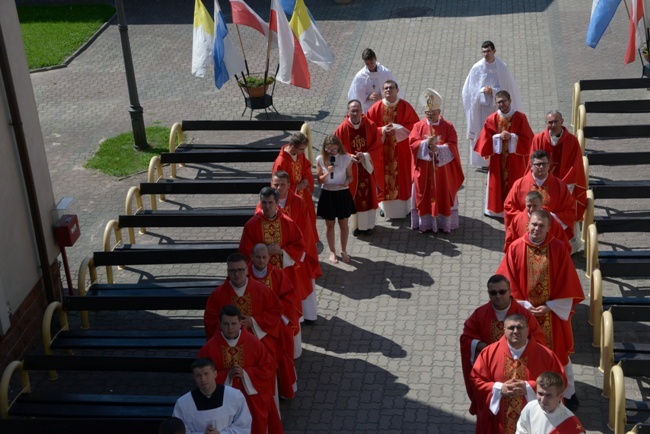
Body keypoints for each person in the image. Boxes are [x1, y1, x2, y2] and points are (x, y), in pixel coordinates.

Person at [497, 210, 585, 410]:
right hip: (524, 316)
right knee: (526, 355)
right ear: (528, 225)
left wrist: (550, 306)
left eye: (541, 226)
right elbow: (506, 281)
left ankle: (567, 395)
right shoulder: (516, 248)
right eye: (534, 225)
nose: (537, 229)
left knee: (559, 355)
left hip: (552, 315)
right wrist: (524, 305)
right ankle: (527, 393)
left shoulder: (559, 249)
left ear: (549, 227)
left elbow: (567, 282)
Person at [460, 274, 546, 415]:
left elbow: (539, 340)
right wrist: (486, 348)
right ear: (488, 293)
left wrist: (519, 348)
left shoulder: (524, 314)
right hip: (493, 370)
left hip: (521, 369)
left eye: (502, 292)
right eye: (493, 293)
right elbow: (466, 338)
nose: (498, 296)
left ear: (510, 291)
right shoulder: (480, 314)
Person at [470, 314, 566, 434]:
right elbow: (476, 379)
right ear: (504, 330)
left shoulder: (546, 355)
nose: (515, 331)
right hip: (499, 421)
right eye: (511, 328)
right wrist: (498, 389)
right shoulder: (489, 353)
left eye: (520, 327)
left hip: (534, 420)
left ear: (527, 329)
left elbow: (559, 382)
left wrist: (529, 387)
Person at [239, 187, 318, 324]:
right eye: (264, 203)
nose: (267, 206)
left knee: (286, 314)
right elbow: (244, 252)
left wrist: (282, 252)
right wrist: (265, 251)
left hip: (284, 275)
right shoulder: (251, 225)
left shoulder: (287, 223)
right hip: (259, 279)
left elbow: (299, 246)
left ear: (277, 204)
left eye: (270, 203)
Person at [199, 305, 282, 434]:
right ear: (219, 324)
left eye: (233, 323)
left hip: (250, 397)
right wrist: (227, 376)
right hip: (223, 400)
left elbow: (268, 367)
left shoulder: (254, 343)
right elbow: (201, 375)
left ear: (240, 323)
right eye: (226, 324)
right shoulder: (209, 348)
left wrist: (246, 374)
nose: (230, 328)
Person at [408, 88, 465, 233]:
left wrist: (438, 150)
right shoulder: (418, 126)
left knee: (443, 194)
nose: (431, 116)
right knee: (424, 195)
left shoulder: (448, 126)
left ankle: (443, 224)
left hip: (442, 172)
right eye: (428, 113)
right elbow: (413, 143)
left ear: (439, 111)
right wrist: (426, 144)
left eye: (433, 113)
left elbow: (453, 145)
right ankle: (426, 224)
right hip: (424, 170)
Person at [248, 243, 299, 397]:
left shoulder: (276, 273)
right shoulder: (244, 276)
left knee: (283, 346)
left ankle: (283, 389)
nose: (261, 261)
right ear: (251, 257)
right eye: (258, 257)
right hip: (250, 325)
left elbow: (289, 297)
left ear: (269, 257)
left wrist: (272, 317)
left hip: (275, 322)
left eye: (264, 257)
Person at [271, 171, 322, 321]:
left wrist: (294, 252)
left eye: (282, 185)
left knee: (302, 283)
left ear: (288, 186)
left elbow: (305, 229)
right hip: (275, 255)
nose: (279, 188)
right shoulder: (266, 203)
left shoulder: (298, 202)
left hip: (297, 253)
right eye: (276, 184)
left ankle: (307, 315)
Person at [531, 110, 587, 248]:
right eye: (550, 122)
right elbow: (531, 163)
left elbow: (576, 165)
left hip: (565, 186)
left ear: (562, 122)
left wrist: (564, 185)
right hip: (542, 185)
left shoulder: (572, 141)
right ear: (546, 123)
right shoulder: (538, 139)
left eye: (556, 121)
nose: (553, 125)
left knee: (564, 213)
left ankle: (568, 247)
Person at [462, 41, 523, 168]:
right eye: (484, 51)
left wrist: (493, 91)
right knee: (483, 132)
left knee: (498, 131)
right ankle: (483, 160)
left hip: (497, 108)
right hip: (482, 109)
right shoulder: (477, 68)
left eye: (488, 51)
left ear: (494, 51)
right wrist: (482, 91)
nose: (486, 54)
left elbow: (506, 88)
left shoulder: (501, 67)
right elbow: (469, 90)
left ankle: (499, 157)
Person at [474, 90, 533, 217]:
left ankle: (516, 208)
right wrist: (497, 137)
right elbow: (485, 139)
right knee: (497, 183)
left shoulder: (520, 117)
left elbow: (528, 139)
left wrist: (512, 137)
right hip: (498, 160)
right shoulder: (492, 119)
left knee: (516, 182)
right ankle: (497, 211)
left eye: (504, 101)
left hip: (515, 160)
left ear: (510, 101)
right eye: (498, 102)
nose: (501, 105)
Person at [366, 79, 419, 219]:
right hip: (382, 151)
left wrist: (398, 129)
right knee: (383, 177)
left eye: (391, 88)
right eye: (385, 88)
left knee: (402, 177)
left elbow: (415, 127)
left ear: (397, 90)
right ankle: (383, 207)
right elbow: (368, 129)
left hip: (401, 151)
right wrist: (382, 130)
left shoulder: (405, 106)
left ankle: (405, 208)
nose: (388, 90)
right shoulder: (376, 108)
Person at [334, 99, 383, 236]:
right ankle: (355, 226)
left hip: (366, 169)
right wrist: (349, 157)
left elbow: (378, 146)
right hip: (351, 170)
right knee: (353, 197)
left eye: (357, 110)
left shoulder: (370, 126)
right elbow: (335, 149)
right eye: (352, 111)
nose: (355, 113)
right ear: (347, 112)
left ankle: (368, 226)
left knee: (367, 197)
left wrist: (366, 155)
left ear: (362, 111)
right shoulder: (342, 129)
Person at [504, 150, 577, 240]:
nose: (541, 167)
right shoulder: (519, 184)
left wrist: (551, 217)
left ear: (549, 165)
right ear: (531, 165)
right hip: (524, 233)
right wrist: (525, 217)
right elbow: (509, 207)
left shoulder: (560, 186)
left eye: (544, 164)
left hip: (551, 234)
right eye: (537, 164)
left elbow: (570, 210)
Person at [172, 358, 252, 434]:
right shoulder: (183, 403)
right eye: (198, 375)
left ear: (215, 374)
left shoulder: (235, 396)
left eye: (206, 374)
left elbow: (243, 427)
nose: (203, 379)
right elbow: (179, 431)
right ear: (194, 378)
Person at [315, 135, 356, 264]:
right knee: (330, 225)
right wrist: (328, 171)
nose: (331, 152)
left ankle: (343, 250)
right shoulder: (321, 159)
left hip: (342, 193)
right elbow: (319, 179)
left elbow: (350, 177)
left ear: (338, 146)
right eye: (329, 149)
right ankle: (332, 252)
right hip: (328, 194)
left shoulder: (346, 159)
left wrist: (347, 182)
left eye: (334, 149)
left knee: (343, 224)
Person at [271, 132, 318, 242]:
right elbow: (277, 185)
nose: (303, 152)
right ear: (293, 147)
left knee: (307, 220)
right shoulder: (281, 161)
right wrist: (296, 187)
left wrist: (306, 180)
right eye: (301, 149)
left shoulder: (299, 154)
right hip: (290, 199)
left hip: (303, 195)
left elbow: (306, 167)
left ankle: (308, 242)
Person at [516, 371, 585, 434]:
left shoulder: (571, 424)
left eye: (548, 395)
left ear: (560, 396)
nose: (543, 400)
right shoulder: (530, 407)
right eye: (540, 394)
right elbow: (521, 430)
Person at [504, 190, 570, 254]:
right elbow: (510, 241)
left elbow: (562, 243)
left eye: (535, 206)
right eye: (529, 206)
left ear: (541, 204)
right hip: (523, 256)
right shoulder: (517, 220)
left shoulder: (551, 221)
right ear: (525, 204)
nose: (532, 209)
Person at [347, 48, 403, 113]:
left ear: (375, 58)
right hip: (368, 109)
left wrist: (382, 96)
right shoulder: (360, 76)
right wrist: (368, 97)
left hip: (383, 106)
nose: (370, 65)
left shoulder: (385, 73)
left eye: (372, 62)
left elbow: (394, 89)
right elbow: (356, 95)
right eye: (367, 64)